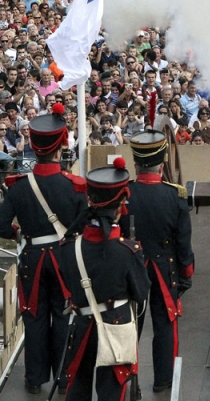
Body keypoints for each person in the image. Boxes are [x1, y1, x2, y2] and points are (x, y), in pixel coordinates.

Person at [0, 103, 87, 394]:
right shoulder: (76, 186)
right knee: (63, 317)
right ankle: (62, 377)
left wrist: (18, 232)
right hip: (63, 259)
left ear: (34, 146)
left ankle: (34, 378)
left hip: (32, 259)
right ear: (61, 146)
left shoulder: (19, 187)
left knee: (33, 317)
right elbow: (83, 226)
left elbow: (0, 226)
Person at [59, 160, 150, 401]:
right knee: (112, 392)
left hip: (80, 326)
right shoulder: (128, 250)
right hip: (115, 325)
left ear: (90, 202)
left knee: (77, 389)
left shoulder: (69, 248)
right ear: (120, 206)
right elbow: (140, 294)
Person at [125, 130, 194, 394]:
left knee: (130, 326)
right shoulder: (175, 196)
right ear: (162, 163)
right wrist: (187, 272)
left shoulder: (126, 193)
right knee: (164, 326)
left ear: (136, 163)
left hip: (132, 268)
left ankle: (130, 381)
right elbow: (183, 242)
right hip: (165, 268)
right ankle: (163, 380)